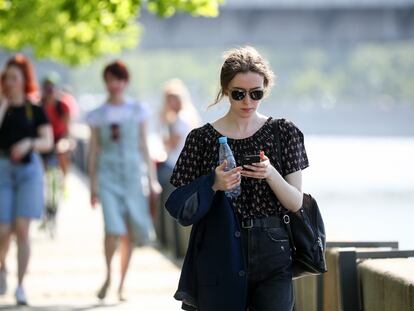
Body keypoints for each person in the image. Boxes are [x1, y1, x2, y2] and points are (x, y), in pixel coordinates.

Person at [166, 46, 309, 311]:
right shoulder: (201, 139)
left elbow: (295, 202)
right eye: (238, 94)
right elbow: (178, 206)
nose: (248, 102)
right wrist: (214, 183)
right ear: (225, 91)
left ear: (266, 89)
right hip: (219, 249)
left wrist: (270, 173)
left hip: (273, 249)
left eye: (256, 94)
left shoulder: (284, 132)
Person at [86, 60, 160, 301]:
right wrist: (93, 184)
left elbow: (144, 145)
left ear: (125, 81)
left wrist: (152, 179)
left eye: (118, 79)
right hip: (107, 174)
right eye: (110, 79)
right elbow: (94, 149)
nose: (114, 84)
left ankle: (122, 283)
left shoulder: (137, 110)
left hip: (131, 175)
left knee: (128, 232)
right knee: (112, 228)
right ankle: (108, 274)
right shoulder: (97, 114)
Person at [0, 54, 53, 305]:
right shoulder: (1, 105)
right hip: (3, 170)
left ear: (23, 80)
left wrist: (29, 143)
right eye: (6, 78)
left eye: (14, 78)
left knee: (22, 229)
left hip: (29, 171)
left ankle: (21, 285)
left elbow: (47, 141)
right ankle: (2, 266)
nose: (9, 82)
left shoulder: (34, 109)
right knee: (3, 229)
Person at [157, 79, 200, 244]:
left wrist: (164, 136)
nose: (169, 102)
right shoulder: (190, 115)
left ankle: (168, 242)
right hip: (186, 167)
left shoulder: (178, 119)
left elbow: (171, 144)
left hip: (175, 167)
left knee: (171, 207)